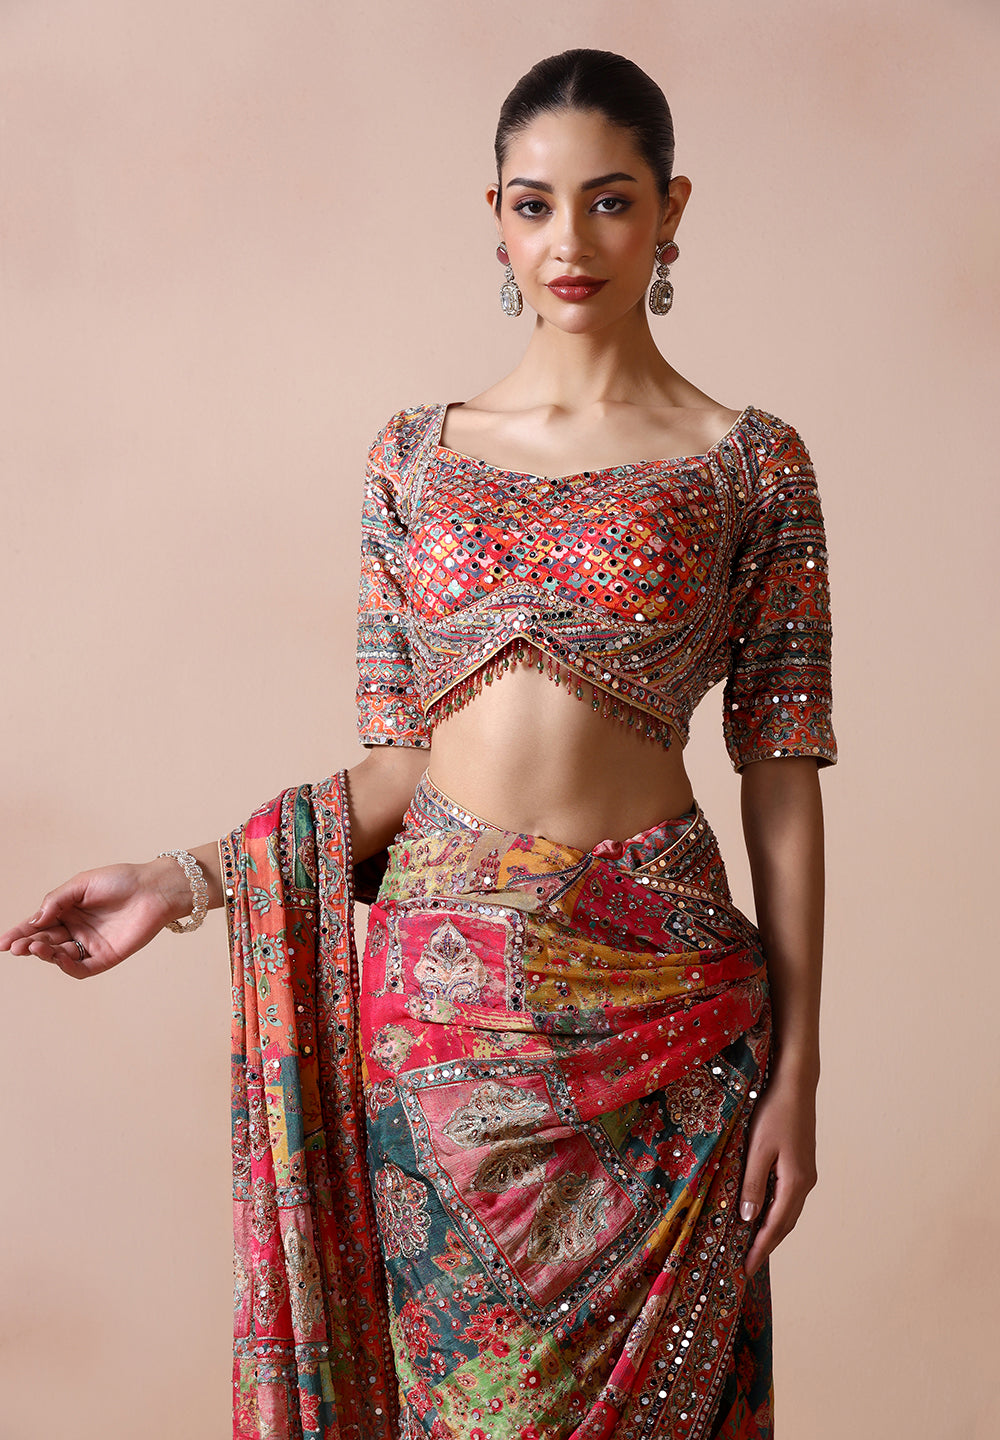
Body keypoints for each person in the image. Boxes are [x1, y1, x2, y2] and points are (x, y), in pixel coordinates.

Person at [1, 48, 835, 1440]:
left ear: (671, 209)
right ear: (494, 216)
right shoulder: (415, 458)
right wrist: (182, 878)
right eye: (534, 204)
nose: (570, 242)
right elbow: (397, 772)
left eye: (611, 201)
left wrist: (801, 1071)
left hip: (665, 1013)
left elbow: (783, 780)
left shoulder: (751, 463)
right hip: (445, 1018)